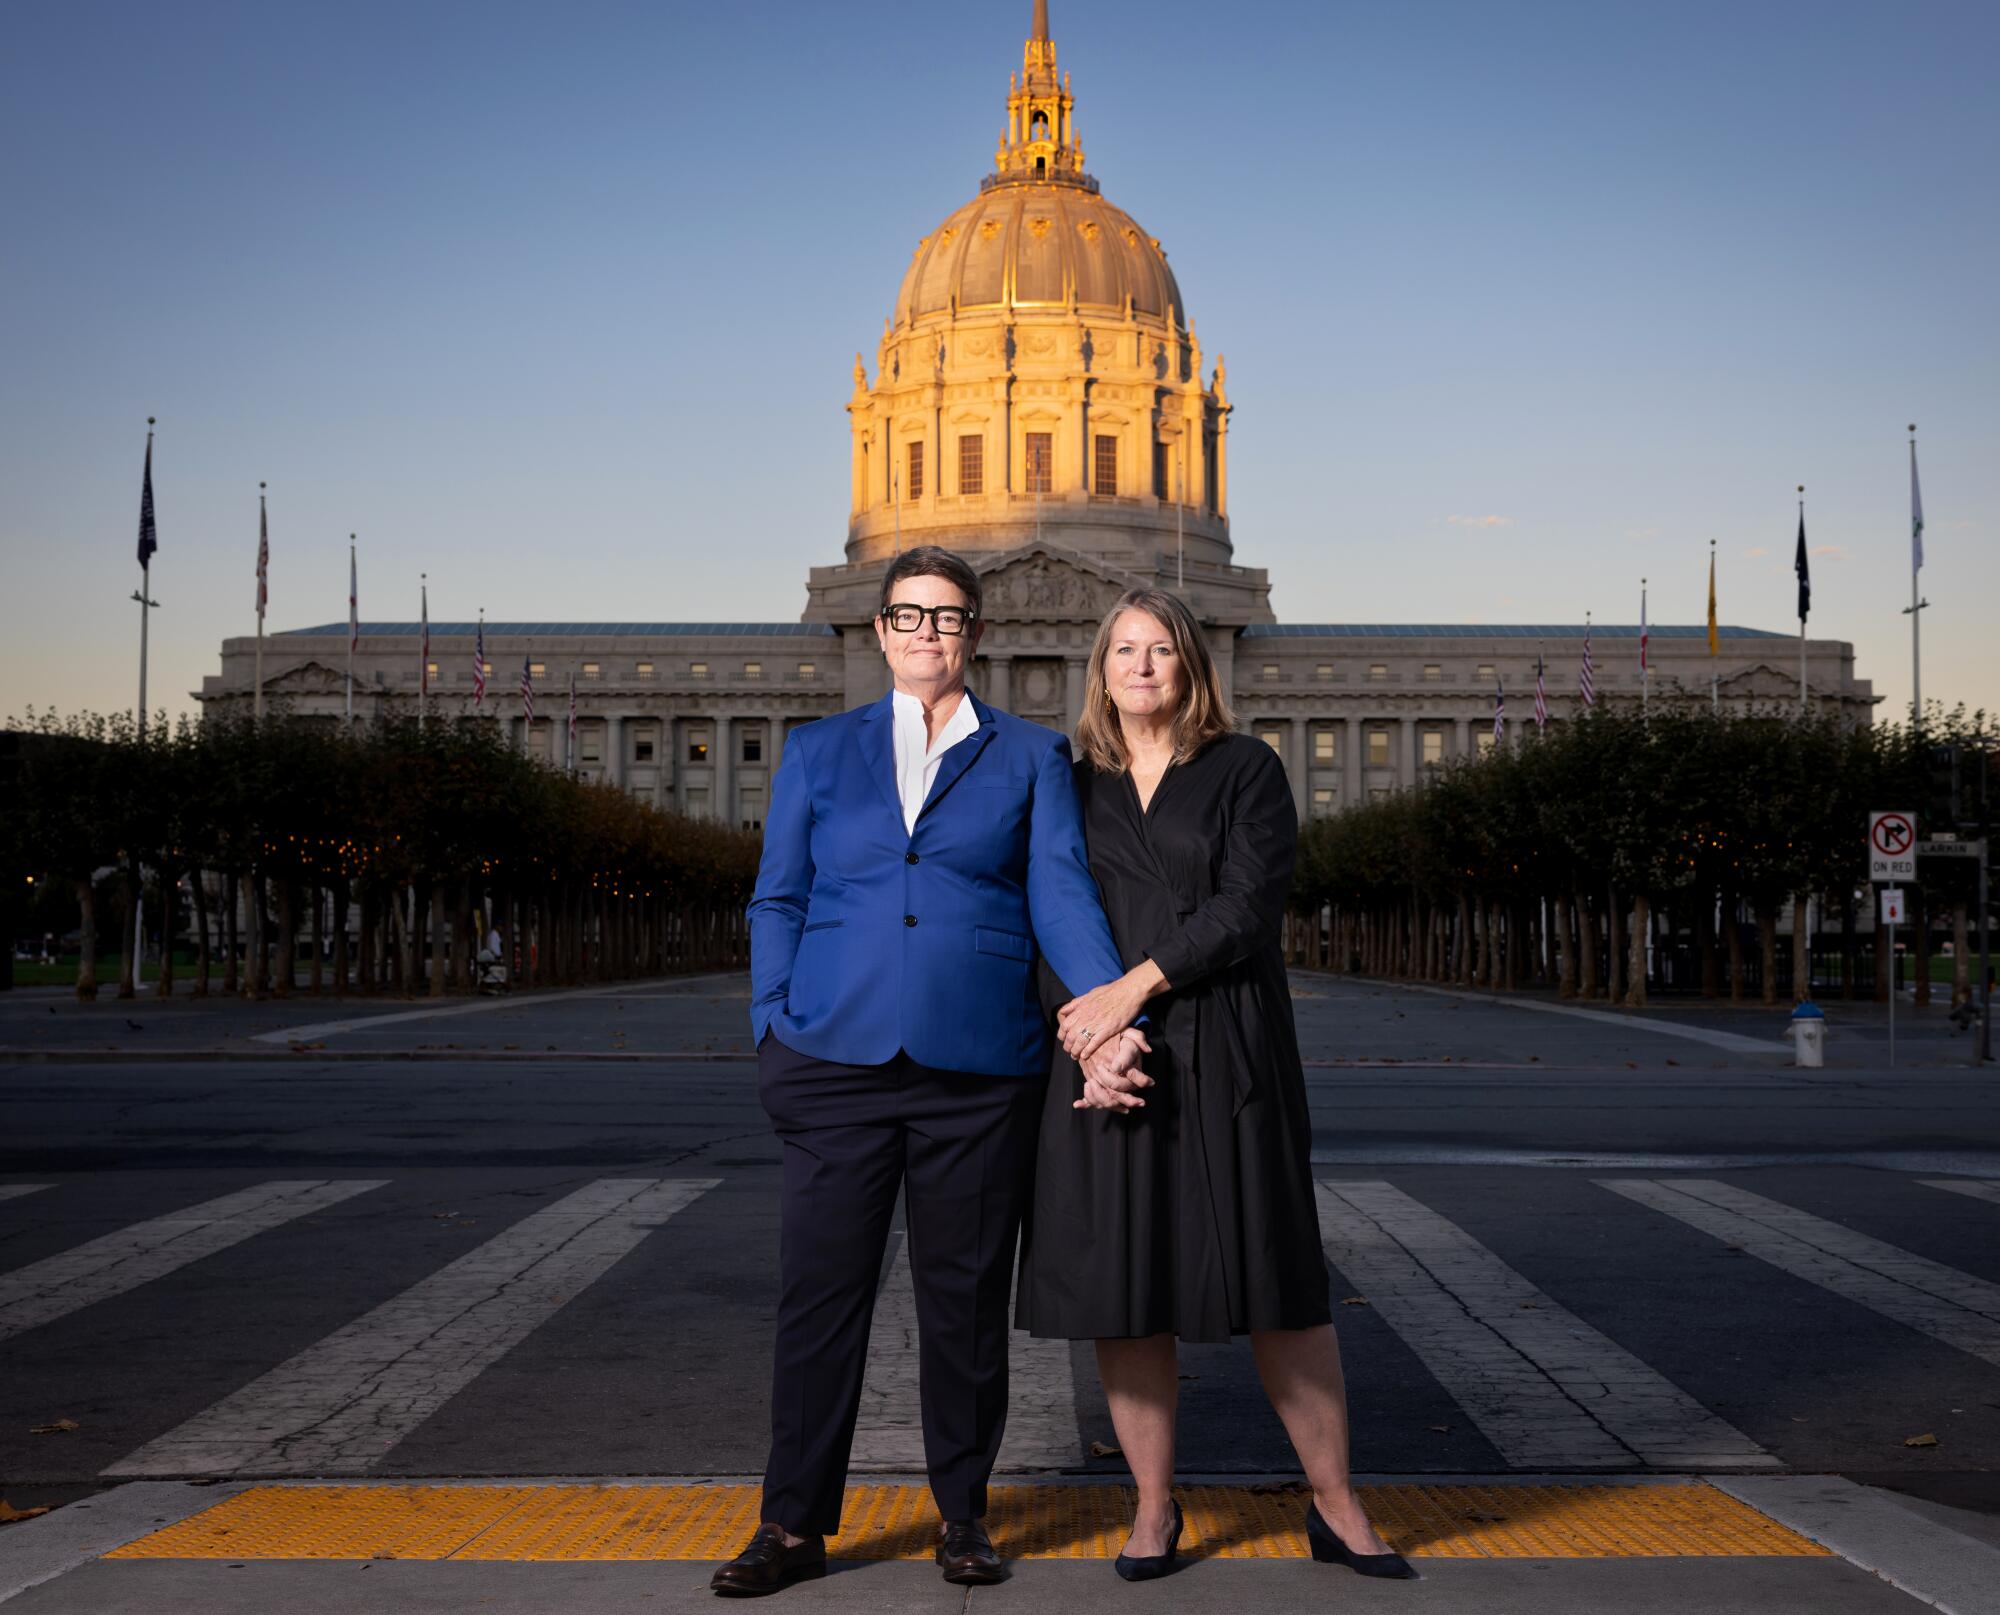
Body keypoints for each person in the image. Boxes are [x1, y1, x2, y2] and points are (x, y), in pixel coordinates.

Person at [714, 546, 1149, 1597]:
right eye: (908, 615)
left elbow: (1057, 899)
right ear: (878, 630)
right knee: (820, 1300)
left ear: (974, 633)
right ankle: (790, 1521)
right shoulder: (820, 750)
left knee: (960, 1304)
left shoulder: (1030, 756)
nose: (927, 633)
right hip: (831, 1058)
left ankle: (963, 1514)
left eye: (947, 617)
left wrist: (1100, 1020)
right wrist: (773, 1027)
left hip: (976, 1064)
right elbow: (777, 896)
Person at [1016, 587, 1415, 1583]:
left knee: (1278, 1282)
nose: (1140, 666)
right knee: (1126, 1292)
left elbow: (1246, 908)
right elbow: (1043, 911)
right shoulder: (1064, 780)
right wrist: (1091, 1038)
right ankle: (1152, 1508)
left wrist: (1131, 992)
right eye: (1123, 650)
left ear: (1193, 665)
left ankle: (1337, 1503)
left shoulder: (1245, 769)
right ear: (1098, 669)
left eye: (1160, 649)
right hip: (1104, 1064)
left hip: (1226, 1045)